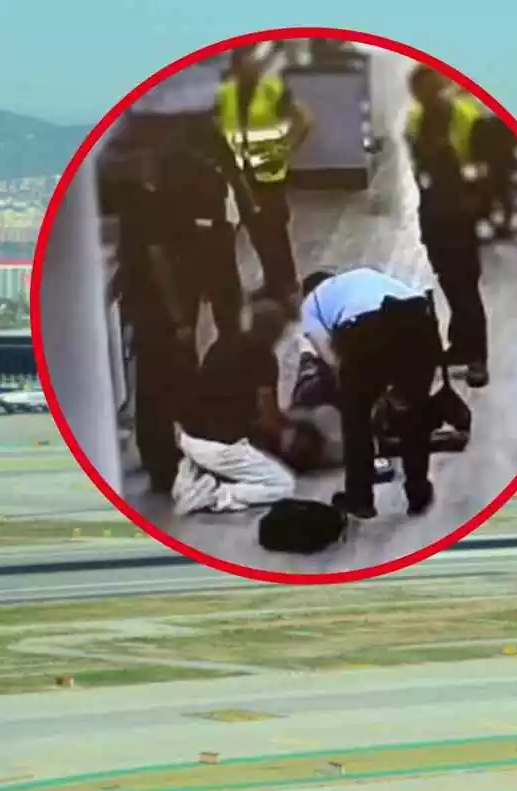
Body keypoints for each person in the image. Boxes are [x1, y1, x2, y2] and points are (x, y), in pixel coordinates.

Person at [108, 74, 256, 493]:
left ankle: (180, 450)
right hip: (160, 296)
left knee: (165, 373)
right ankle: (174, 456)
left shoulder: (153, 177)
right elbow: (157, 256)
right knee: (164, 374)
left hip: (160, 287)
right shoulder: (153, 188)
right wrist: (179, 317)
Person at [301, 267, 440, 519]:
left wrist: (359, 390)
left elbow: (330, 358)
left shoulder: (311, 303)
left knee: (356, 421)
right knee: (414, 412)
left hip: (365, 330)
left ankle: (360, 498)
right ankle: (418, 493)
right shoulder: (365, 275)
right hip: (418, 322)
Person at [405, 66, 490, 389]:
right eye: (420, 91)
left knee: (466, 287)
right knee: (451, 283)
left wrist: (475, 208)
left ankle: (477, 357)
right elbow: (417, 167)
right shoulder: (414, 122)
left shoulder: (467, 118)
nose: (427, 96)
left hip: (463, 216)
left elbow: (485, 170)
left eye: (432, 88)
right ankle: (460, 346)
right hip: (434, 214)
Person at [172, 300, 297, 515]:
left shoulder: (220, 344)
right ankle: (218, 493)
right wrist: (288, 434)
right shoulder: (264, 359)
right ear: (276, 332)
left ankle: (191, 474)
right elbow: (268, 420)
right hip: (226, 444)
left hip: (190, 435)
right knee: (283, 484)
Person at [216, 46, 313, 315]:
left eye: (254, 61)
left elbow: (303, 119)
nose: (253, 67)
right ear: (236, 67)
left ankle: (288, 289)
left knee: (275, 231)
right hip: (240, 175)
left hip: (269, 175)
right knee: (256, 231)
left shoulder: (272, 90)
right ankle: (273, 283)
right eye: (246, 62)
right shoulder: (225, 95)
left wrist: (287, 148)